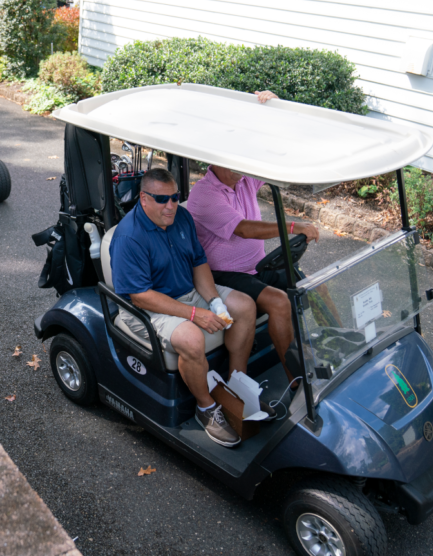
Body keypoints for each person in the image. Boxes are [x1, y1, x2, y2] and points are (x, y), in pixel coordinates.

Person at [111, 168, 257, 448]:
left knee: (244, 306)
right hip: (146, 309)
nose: (170, 206)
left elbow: (198, 262)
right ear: (143, 199)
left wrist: (214, 301)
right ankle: (206, 408)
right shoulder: (129, 237)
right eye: (161, 199)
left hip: (186, 292)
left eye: (175, 198)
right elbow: (141, 297)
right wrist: (195, 314)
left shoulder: (182, 219)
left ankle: (236, 385)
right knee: (191, 338)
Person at [184, 90, 320, 382]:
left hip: (257, 268)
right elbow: (244, 228)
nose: (242, 167)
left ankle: (331, 350)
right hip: (224, 275)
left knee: (314, 287)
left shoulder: (241, 177)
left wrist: (272, 109)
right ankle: (299, 381)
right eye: (234, 162)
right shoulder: (204, 195)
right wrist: (292, 228)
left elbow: (275, 146)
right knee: (280, 301)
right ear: (216, 162)